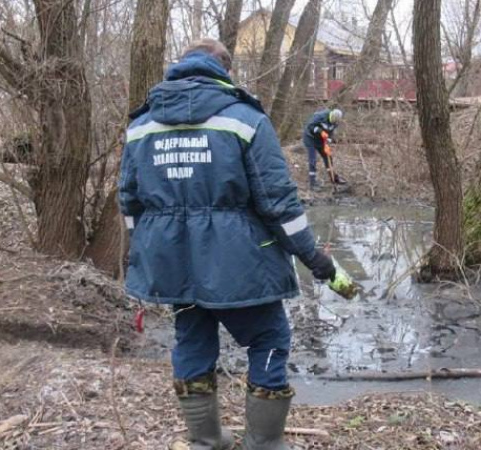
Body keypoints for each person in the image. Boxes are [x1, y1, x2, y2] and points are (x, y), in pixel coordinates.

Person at [118, 38, 336, 450]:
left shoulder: (142, 125)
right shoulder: (243, 117)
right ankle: (264, 443)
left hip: (173, 265)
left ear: (180, 66)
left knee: (192, 338)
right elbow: (278, 203)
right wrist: (313, 256)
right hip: (241, 265)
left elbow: (129, 203)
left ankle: (206, 440)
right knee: (269, 340)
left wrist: (145, 251)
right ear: (224, 68)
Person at [302, 108, 347, 189]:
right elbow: (310, 126)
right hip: (310, 138)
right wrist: (320, 131)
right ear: (331, 116)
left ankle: (334, 178)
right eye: (333, 120)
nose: (334, 123)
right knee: (313, 159)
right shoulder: (320, 116)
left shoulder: (336, 123)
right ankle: (312, 183)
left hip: (321, 140)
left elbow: (330, 133)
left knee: (328, 157)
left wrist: (328, 143)